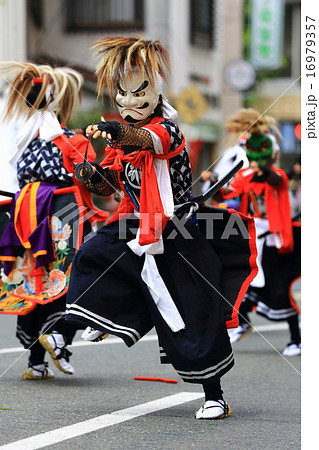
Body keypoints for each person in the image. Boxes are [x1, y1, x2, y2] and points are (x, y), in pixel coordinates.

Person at [65, 36, 257, 420]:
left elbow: (146, 139)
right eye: (124, 95)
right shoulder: (123, 148)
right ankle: (97, 317)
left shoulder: (168, 132)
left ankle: (214, 395)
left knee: (193, 314)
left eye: (140, 94)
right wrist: (91, 175)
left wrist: (115, 132)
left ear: (154, 95)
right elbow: (112, 188)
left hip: (179, 234)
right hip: (138, 228)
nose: (130, 102)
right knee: (93, 251)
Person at [0, 62, 109, 379]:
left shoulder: (21, 141)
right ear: (62, 104)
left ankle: (37, 362)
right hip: (62, 214)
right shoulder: (71, 141)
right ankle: (59, 336)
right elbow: (92, 180)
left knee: (38, 280)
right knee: (73, 276)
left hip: (25, 216)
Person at [216, 114, 301, 356]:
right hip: (252, 236)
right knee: (241, 280)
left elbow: (274, 178)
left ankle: (296, 339)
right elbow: (227, 193)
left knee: (281, 289)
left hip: (273, 240)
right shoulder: (245, 177)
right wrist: (213, 181)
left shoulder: (279, 178)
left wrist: (262, 166)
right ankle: (242, 321)